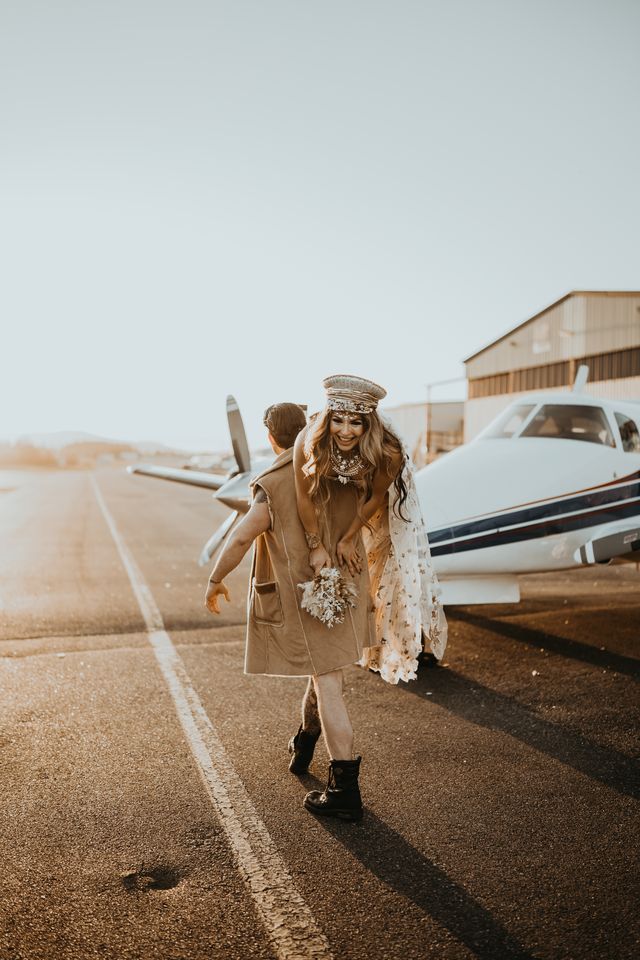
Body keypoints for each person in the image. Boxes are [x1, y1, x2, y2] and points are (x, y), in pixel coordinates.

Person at [204, 401, 371, 821]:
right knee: (323, 674)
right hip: (345, 591)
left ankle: (344, 790)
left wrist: (215, 577)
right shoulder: (341, 468)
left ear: (270, 436)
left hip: (310, 600)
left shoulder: (274, 481)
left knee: (328, 682)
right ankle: (305, 741)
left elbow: (243, 537)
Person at [293, 374, 448, 820]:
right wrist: (318, 543)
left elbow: (377, 498)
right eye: (338, 419)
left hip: (362, 548)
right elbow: (305, 498)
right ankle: (305, 738)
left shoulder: (389, 451)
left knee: (328, 665)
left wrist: (348, 537)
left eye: (355, 422)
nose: (345, 430)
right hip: (316, 550)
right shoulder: (311, 438)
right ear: (327, 418)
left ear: (369, 423)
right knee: (327, 665)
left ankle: (340, 784)